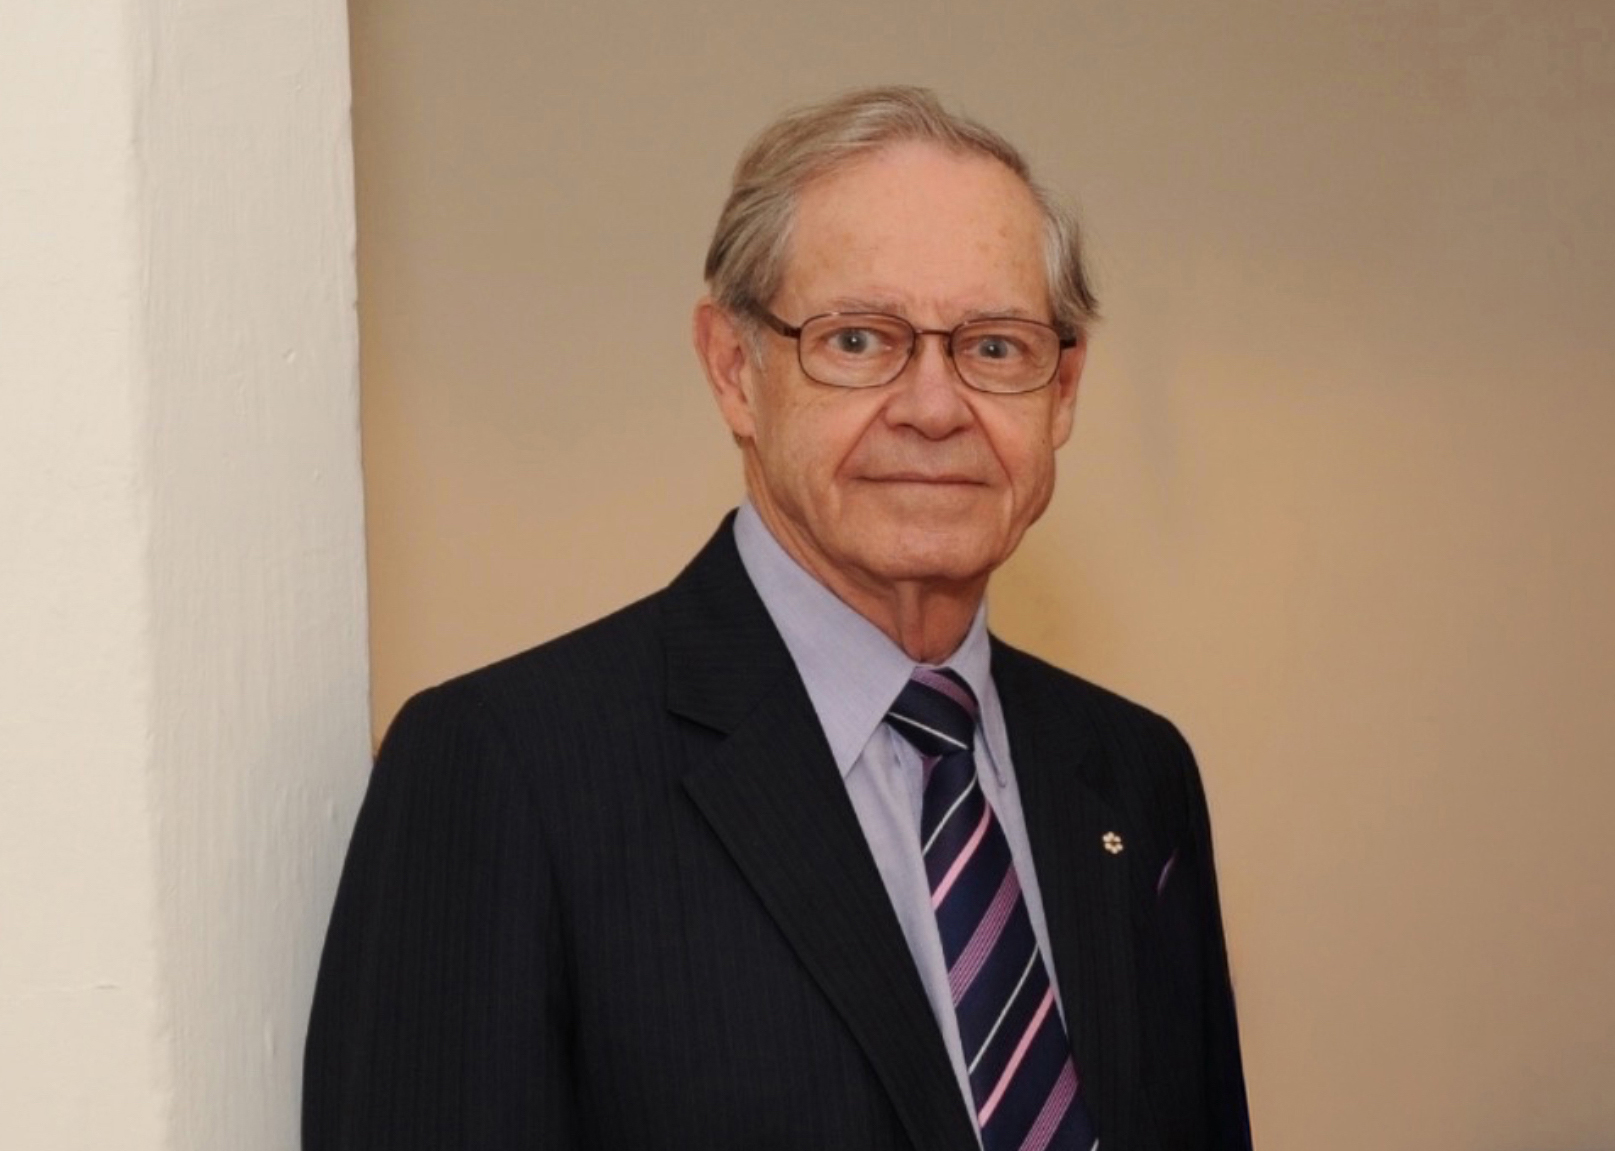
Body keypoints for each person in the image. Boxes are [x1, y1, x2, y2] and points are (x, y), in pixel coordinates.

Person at [303, 86, 1252, 1151]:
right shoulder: (506, 771)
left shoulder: (1131, 770)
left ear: (1062, 390)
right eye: (858, 339)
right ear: (733, 370)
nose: (934, 407)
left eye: (993, 347)